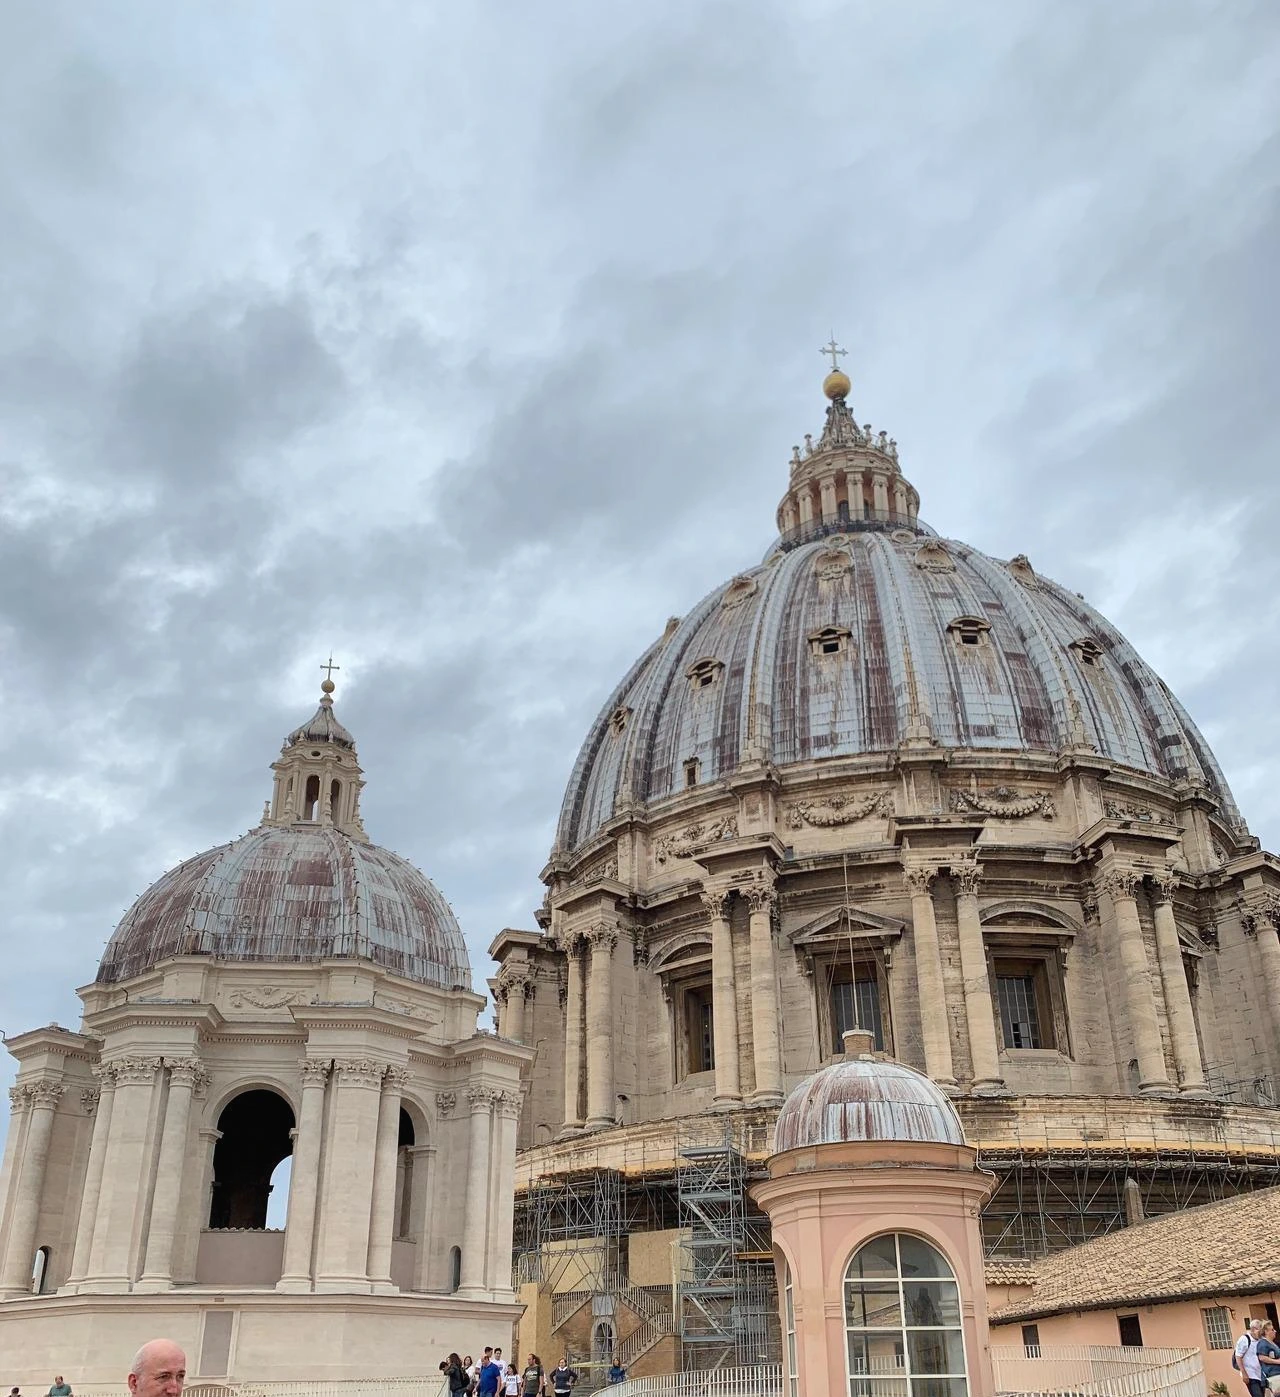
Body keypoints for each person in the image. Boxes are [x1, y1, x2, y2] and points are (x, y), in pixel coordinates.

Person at [1237, 1319, 1266, 1397]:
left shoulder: (1261, 1339)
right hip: (1250, 1374)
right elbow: (1238, 1356)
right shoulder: (1244, 1339)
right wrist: (1244, 1373)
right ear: (1253, 1329)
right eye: (1260, 1330)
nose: (1261, 1333)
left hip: (1260, 1374)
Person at [1257, 1322, 1280, 1393]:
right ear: (1266, 1331)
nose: (1275, 1331)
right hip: (1272, 1374)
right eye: (1272, 1330)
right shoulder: (1263, 1343)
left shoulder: (1273, 1343)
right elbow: (1262, 1357)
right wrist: (1277, 1361)